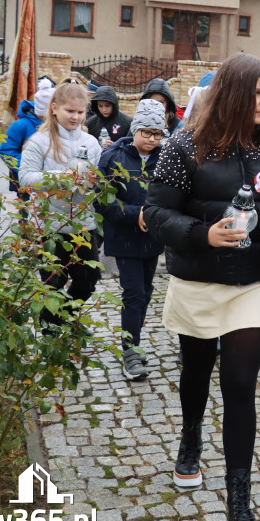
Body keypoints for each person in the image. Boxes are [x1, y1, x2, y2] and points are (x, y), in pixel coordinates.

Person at [142, 53, 260, 521]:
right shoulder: (185, 145)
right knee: (196, 371)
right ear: (232, 92)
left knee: (239, 384)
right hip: (197, 281)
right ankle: (190, 436)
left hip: (252, 283)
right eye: (256, 93)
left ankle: (239, 505)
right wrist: (203, 234)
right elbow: (154, 213)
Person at [19, 79, 103, 335]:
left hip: (82, 225)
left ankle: (62, 317)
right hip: (50, 226)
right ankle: (49, 332)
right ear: (54, 108)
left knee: (88, 280)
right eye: (70, 111)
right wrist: (61, 177)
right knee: (53, 282)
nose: (75, 117)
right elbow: (25, 178)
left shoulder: (91, 143)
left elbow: (96, 181)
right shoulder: (39, 141)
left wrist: (92, 183)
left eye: (80, 112)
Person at [97, 99, 168, 380]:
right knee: (134, 294)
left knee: (146, 292)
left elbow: (170, 194)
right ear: (135, 129)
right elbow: (102, 200)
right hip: (124, 236)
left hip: (152, 237)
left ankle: (133, 342)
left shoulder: (165, 158)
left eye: (158, 134)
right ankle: (129, 351)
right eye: (147, 132)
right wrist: (132, 213)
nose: (152, 139)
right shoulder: (114, 156)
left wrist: (156, 215)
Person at [0, 80, 53, 200]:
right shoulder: (20, 125)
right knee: (26, 213)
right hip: (25, 178)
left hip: (49, 179)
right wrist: (25, 166)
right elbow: (6, 150)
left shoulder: (55, 125)